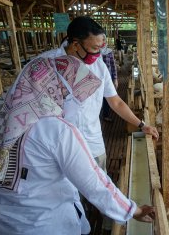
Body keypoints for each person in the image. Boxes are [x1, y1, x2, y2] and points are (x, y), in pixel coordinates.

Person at [0, 56, 155, 235]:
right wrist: (133, 210)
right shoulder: (56, 129)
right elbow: (94, 183)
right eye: (66, 94)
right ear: (52, 88)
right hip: (42, 224)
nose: (72, 101)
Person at [39, 16, 159, 172]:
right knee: (67, 194)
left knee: (97, 188)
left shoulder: (98, 65)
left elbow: (115, 101)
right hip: (57, 150)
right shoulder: (45, 66)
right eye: (95, 49)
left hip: (93, 143)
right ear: (76, 44)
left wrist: (141, 125)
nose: (99, 53)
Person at [101, 35, 118, 122]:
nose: (103, 42)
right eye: (101, 39)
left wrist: (115, 79)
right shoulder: (93, 52)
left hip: (108, 76)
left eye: (104, 39)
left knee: (107, 96)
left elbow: (112, 65)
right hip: (97, 78)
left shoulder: (109, 52)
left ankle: (106, 115)